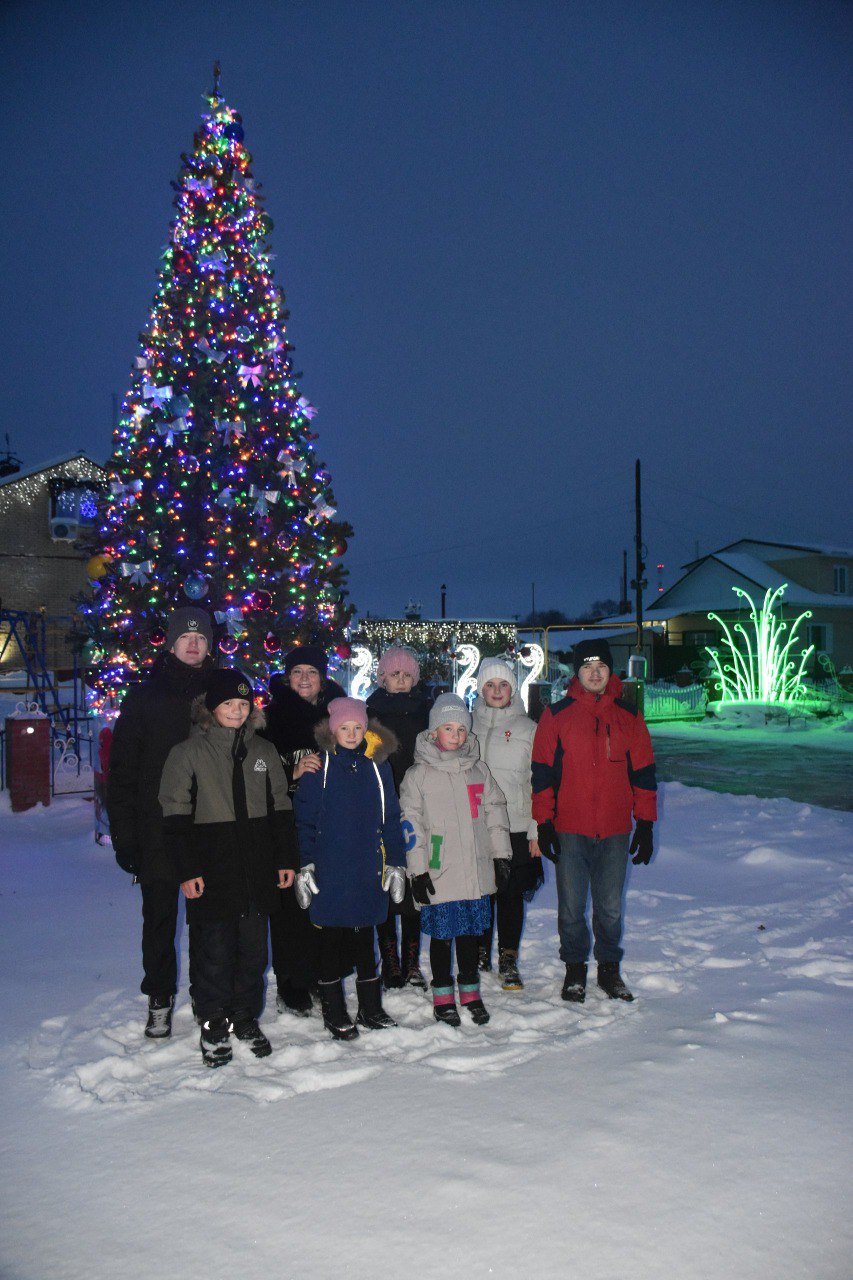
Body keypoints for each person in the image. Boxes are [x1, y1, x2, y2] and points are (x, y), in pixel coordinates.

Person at [159, 670, 297, 1067]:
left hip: (257, 867)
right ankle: (213, 1020)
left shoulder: (264, 751)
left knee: (253, 951)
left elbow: (280, 808)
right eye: (227, 705)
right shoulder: (188, 753)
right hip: (212, 868)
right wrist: (187, 869)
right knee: (214, 950)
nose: (236, 711)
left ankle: (243, 1016)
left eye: (242, 704)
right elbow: (174, 814)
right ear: (211, 709)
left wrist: (284, 859)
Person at [107, 605, 214, 1039]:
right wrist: (125, 836)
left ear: (209, 645)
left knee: (209, 920)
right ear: (171, 643)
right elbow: (123, 773)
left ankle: (208, 996)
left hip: (209, 827)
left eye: (201, 638)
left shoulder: (222, 694)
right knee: (159, 920)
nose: (193, 643)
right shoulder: (145, 698)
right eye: (186, 637)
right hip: (156, 830)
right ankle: (159, 997)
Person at [531, 639, 657, 1004]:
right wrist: (545, 822)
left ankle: (608, 969)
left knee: (609, 907)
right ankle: (574, 968)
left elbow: (644, 774)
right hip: (571, 828)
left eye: (601, 665)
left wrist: (645, 824)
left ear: (610, 670)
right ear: (576, 672)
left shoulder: (629, 716)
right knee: (571, 907)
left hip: (616, 829)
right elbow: (542, 775)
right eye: (587, 667)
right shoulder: (556, 716)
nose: (595, 672)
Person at [293, 697, 406, 1040]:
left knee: (364, 938)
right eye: (344, 727)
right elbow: (305, 821)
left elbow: (390, 818)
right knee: (330, 939)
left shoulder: (378, 766)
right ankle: (334, 1008)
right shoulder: (319, 768)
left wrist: (397, 863)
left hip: (366, 867)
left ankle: (370, 1007)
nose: (352, 733)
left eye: (358, 727)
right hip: (330, 870)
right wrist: (305, 865)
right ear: (332, 730)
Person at [400, 693, 511, 1027]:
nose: (456, 735)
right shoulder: (417, 775)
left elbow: (495, 812)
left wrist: (501, 854)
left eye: (461, 729)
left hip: (474, 869)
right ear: (434, 733)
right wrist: (417, 869)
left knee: (468, 936)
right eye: (448, 728)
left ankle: (471, 992)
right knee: (442, 936)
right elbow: (410, 823)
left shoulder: (478, 770)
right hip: (438, 869)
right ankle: (443, 996)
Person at [260, 644, 346, 1016]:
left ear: (323, 676)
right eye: (298, 672)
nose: (305, 678)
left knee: (324, 900)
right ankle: (291, 981)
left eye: (312, 671)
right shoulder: (268, 718)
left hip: (331, 824)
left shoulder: (341, 713)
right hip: (287, 824)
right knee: (290, 903)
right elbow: (255, 772)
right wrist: (289, 774)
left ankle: (320, 974)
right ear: (287, 677)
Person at [471, 658, 543, 991]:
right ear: (479, 689)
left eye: (503, 685)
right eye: (489, 685)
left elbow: (538, 782)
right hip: (476, 825)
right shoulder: (465, 725)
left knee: (511, 894)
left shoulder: (528, 728)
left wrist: (536, 829)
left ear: (512, 689)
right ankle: (481, 952)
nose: (497, 691)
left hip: (515, 824)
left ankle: (508, 957)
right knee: (482, 892)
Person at [366, 646, 432, 990]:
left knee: (414, 881)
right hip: (382, 806)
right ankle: (388, 955)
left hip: (419, 805)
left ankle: (411, 959)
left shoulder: (426, 709)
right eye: (395, 675)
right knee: (385, 881)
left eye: (407, 674)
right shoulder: (370, 712)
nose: (402, 681)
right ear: (383, 678)